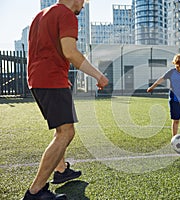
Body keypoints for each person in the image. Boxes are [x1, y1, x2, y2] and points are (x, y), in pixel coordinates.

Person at [23, 0, 109, 199]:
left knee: (61, 128)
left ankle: (61, 170)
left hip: (37, 79)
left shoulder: (41, 15)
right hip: (52, 79)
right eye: (84, 1)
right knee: (66, 133)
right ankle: (35, 191)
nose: (83, 6)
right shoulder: (66, 14)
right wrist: (98, 76)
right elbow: (70, 52)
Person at [147, 54, 180, 143]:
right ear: (175, 64)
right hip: (174, 101)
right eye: (178, 66)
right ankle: (174, 139)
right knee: (176, 121)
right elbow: (161, 79)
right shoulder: (171, 72)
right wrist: (152, 87)